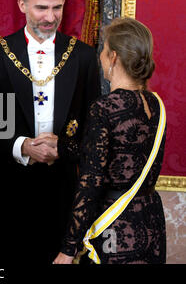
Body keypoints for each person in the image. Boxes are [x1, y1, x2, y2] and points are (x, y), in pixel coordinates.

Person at [0, 0, 101, 264]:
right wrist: (23, 146)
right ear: (22, 5)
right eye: (41, 7)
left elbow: (95, 130)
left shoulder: (82, 56)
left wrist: (64, 149)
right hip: (6, 191)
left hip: (61, 192)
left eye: (57, 7)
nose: (50, 17)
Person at [54, 17, 166, 264]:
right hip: (150, 223)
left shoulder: (103, 108)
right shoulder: (156, 104)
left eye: (103, 51)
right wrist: (60, 146)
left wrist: (68, 248)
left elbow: (90, 183)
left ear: (113, 57)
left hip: (115, 227)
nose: (101, 58)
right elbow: (121, 152)